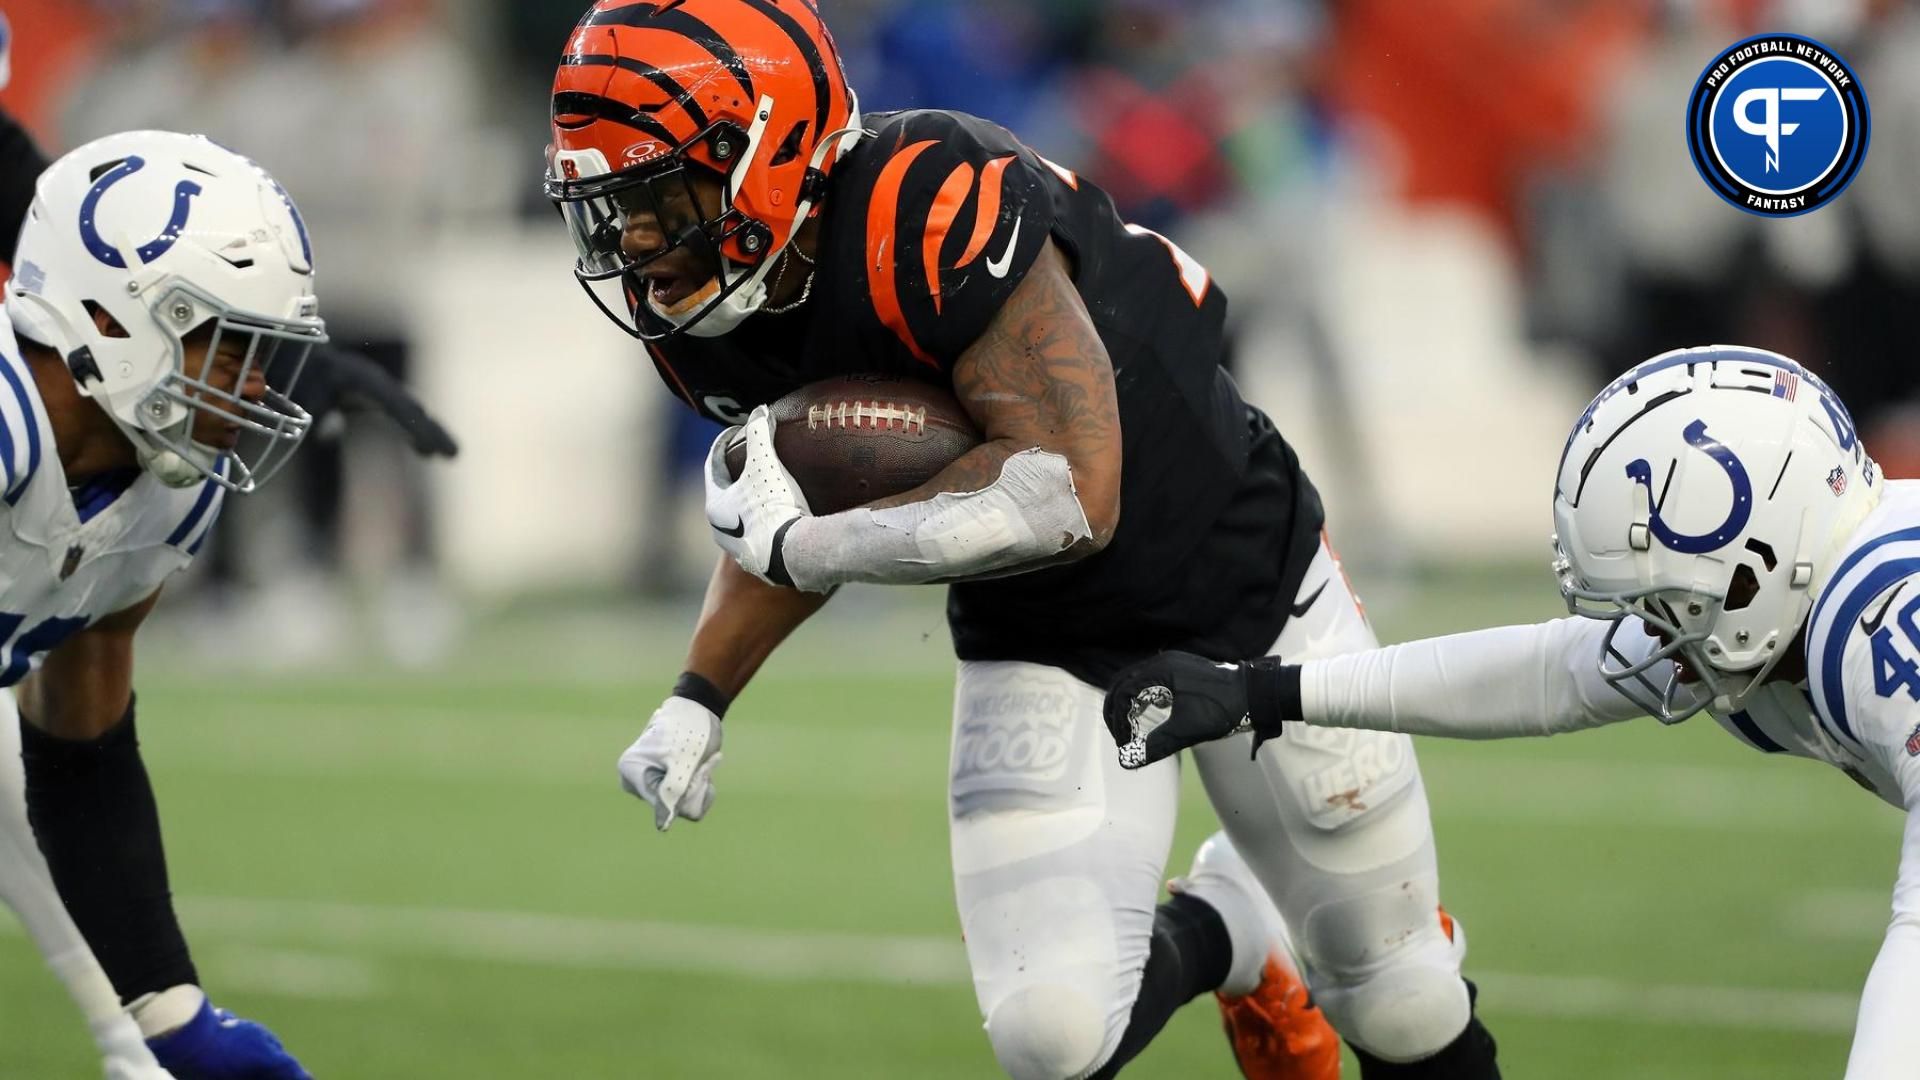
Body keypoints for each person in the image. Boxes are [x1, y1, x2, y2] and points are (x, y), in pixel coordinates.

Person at [545, 2, 1500, 1076]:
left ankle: (1259, 925)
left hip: (1241, 579)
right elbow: (791, 510)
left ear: (764, 151)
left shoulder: (929, 197)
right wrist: (699, 694)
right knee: (1049, 1037)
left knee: (1399, 998)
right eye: (611, 206)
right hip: (1039, 631)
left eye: (659, 196)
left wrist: (809, 549)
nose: (634, 243)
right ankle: (1227, 930)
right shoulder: (710, 321)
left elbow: (1063, 497)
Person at [1103, 346, 1916, 1077]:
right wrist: (1265, 692)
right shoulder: (1786, 599)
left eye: (1670, 600)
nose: (1656, 632)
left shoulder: (1878, 627)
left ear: (1765, 557)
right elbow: (1544, 672)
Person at [0, 127, 327, 1080]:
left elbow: (80, 758)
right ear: (109, 319)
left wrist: (166, 1009)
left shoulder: (168, 488)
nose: (256, 381)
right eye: (228, 341)